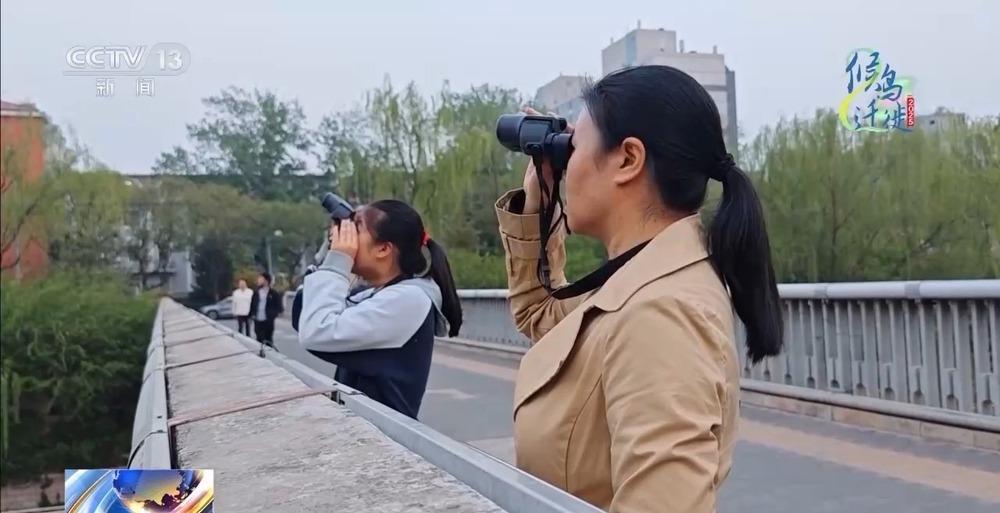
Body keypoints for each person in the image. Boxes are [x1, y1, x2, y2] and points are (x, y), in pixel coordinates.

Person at [495, 65, 783, 513]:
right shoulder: (643, 278)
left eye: (573, 148)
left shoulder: (663, 311)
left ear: (628, 159)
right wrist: (540, 199)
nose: (566, 167)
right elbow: (542, 318)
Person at [297, 200, 462, 419]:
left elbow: (317, 332)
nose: (346, 237)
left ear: (383, 248)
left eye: (356, 228)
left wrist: (338, 261)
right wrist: (329, 257)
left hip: (384, 438)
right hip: (366, 430)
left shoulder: (409, 299)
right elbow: (305, 314)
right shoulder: (374, 294)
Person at [249, 272, 283, 347]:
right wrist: (252, 315)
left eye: (260, 279)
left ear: (266, 280)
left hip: (268, 319)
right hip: (258, 319)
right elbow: (252, 304)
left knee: (268, 339)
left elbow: (279, 306)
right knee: (259, 338)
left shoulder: (273, 293)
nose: (258, 280)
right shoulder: (256, 292)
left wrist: (273, 315)